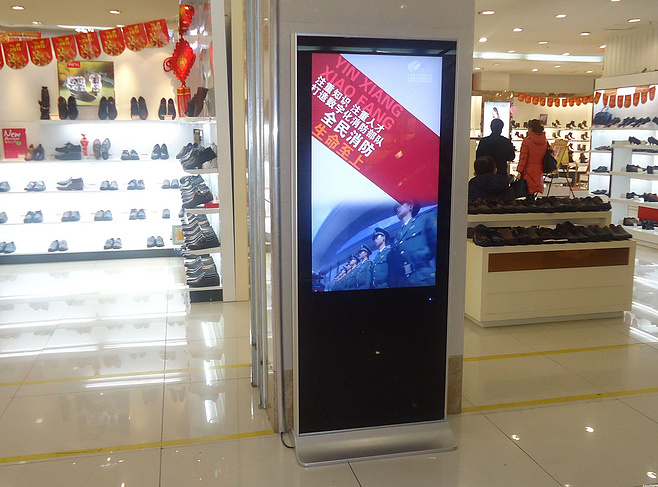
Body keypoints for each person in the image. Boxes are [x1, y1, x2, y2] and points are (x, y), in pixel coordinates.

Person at [388, 200, 437, 288]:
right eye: (396, 208)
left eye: (400, 204)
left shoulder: (424, 220)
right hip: (403, 282)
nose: (397, 208)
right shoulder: (397, 237)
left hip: (424, 278)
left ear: (410, 206)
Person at [517, 118, 549, 198]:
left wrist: (519, 170)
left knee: (528, 189)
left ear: (530, 129)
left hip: (528, 170)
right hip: (539, 169)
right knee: (535, 189)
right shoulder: (545, 141)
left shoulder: (527, 141)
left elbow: (523, 158)